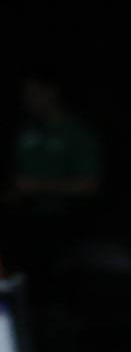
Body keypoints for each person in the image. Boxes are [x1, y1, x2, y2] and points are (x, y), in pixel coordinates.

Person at [8, 72, 101, 283]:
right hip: (25, 225)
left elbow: (89, 186)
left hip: (65, 227)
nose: (27, 100)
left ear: (52, 92)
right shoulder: (25, 132)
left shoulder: (77, 134)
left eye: (33, 93)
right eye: (25, 94)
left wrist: (40, 187)